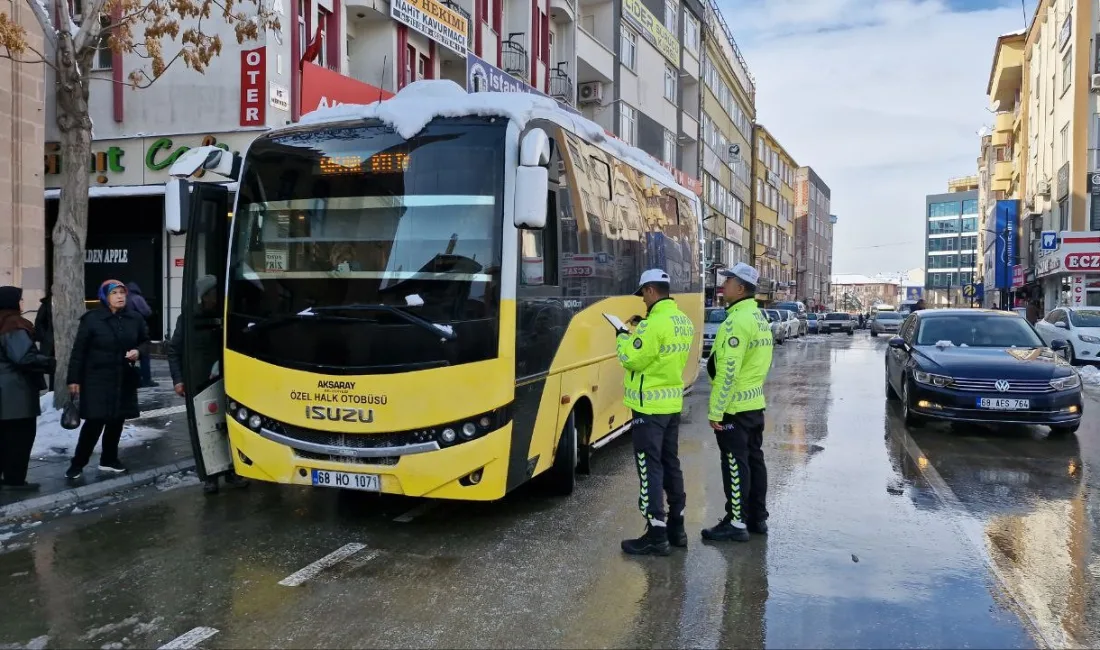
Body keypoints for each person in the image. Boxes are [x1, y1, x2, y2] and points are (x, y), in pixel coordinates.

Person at [615, 269, 695, 556]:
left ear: (650, 290)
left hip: (648, 407)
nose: (643, 302)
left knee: (650, 468)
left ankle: (656, 535)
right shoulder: (683, 321)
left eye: (643, 295)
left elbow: (632, 358)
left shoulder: (652, 325)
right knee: (670, 463)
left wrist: (623, 336)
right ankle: (677, 528)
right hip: (671, 404)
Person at [703, 263, 774, 542]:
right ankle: (757, 518)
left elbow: (727, 372)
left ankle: (736, 522)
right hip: (754, 403)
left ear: (741, 287)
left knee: (734, 463)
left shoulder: (736, 322)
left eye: (729, 280)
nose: (725, 284)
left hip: (734, 407)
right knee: (755, 461)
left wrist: (716, 412)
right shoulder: (759, 318)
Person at [167, 275, 247, 494]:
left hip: (228, 382)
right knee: (205, 429)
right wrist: (179, 380)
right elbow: (174, 351)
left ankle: (233, 470)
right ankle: (210, 476)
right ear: (204, 296)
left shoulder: (227, 317)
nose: (217, 298)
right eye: (213, 294)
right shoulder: (188, 320)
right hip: (199, 384)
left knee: (231, 426)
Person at [65, 279, 149, 479]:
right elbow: (79, 351)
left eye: (122, 292)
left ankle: (109, 460)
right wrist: (73, 379)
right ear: (105, 297)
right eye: (115, 293)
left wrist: (138, 351)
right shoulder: (92, 319)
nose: (120, 296)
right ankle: (78, 463)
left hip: (123, 377)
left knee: (116, 421)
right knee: (94, 423)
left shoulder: (134, 318)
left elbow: (146, 342)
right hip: (96, 378)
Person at [0, 286, 55, 491]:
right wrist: (48, 362)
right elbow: (23, 356)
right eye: (20, 300)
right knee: (19, 439)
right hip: (16, 395)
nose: (23, 303)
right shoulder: (14, 324)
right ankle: (14, 481)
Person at [125, 282, 156, 388]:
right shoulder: (137, 298)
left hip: (125, 331)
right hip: (138, 329)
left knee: (126, 355)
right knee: (144, 354)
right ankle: (146, 380)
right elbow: (147, 312)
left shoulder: (124, 298)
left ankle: (129, 378)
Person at [33, 292, 53, 388]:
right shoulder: (46, 304)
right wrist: (45, 338)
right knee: (52, 367)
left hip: (55, 340)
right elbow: (39, 322)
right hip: (50, 341)